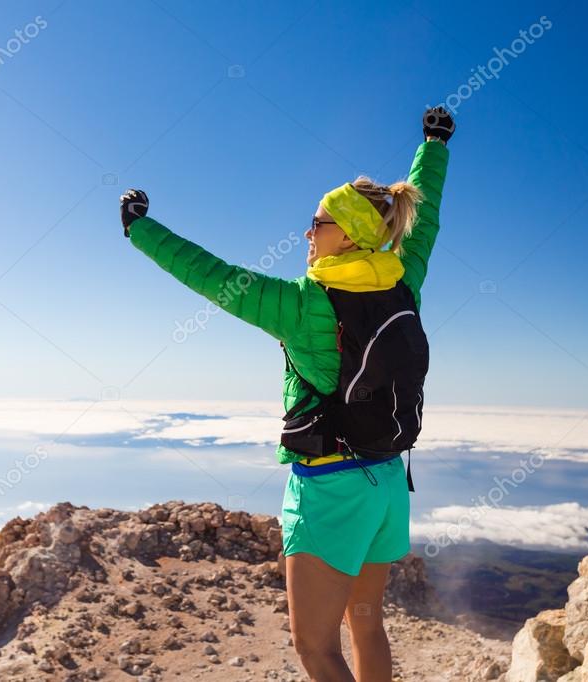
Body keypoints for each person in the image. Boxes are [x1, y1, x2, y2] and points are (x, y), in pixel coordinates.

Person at [120, 108, 454, 681]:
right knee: (367, 626)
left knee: (314, 648)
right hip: (389, 481)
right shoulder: (403, 280)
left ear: (346, 233)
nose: (307, 232)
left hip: (330, 488)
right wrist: (435, 146)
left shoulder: (302, 304)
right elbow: (425, 217)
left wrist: (140, 229)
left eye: (317, 222)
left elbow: (213, 276)